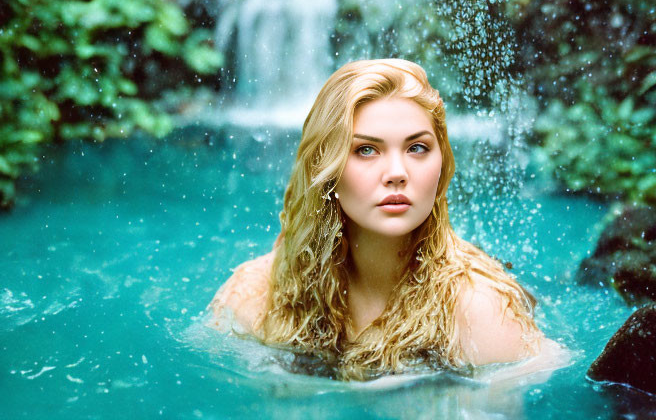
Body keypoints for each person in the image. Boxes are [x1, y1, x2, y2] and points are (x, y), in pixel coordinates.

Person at [208, 58, 560, 380]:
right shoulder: (256, 294)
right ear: (325, 168)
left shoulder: (479, 314)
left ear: (442, 162)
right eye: (366, 150)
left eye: (417, 148)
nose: (396, 173)